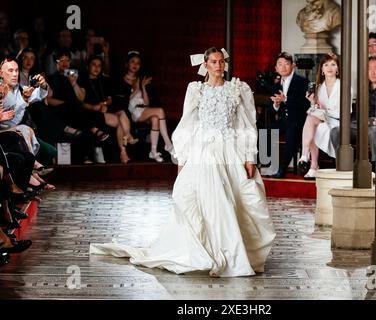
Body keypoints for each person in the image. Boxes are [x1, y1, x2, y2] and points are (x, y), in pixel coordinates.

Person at [90, 47, 276, 277]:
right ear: (205, 65)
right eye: (214, 62)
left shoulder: (237, 89)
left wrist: (249, 156)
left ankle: (228, 254)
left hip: (229, 151)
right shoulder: (196, 90)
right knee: (208, 201)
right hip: (204, 152)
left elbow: (245, 125)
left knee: (234, 200)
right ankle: (214, 254)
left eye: (221, 61)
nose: (218, 66)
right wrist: (182, 157)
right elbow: (188, 124)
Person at [330, 57, 376, 167]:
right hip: (363, 125)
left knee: (374, 131)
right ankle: (343, 165)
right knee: (336, 131)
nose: (372, 72)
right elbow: (357, 110)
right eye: (369, 69)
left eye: (375, 68)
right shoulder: (364, 87)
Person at [114, 51, 174, 162]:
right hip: (131, 112)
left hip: (143, 109)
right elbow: (122, 101)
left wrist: (143, 87)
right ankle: (168, 144)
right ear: (127, 64)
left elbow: (146, 103)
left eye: (138, 63)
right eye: (132, 62)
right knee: (160, 111)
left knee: (156, 118)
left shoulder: (140, 79)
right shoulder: (121, 80)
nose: (135, 65)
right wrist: (136, 88)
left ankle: (153, 151)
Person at [79, 55, 137, 164]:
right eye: (94, 65)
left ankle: (123, 151)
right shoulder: (83, 81)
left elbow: (110, 99)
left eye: (99, 66)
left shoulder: (104, 80)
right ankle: (126, 143)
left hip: (103, 111)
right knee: (120, 120)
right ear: (88, 66)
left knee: (122, 113)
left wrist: (104, 104)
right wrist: (94, 107)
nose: (96, 68)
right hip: (89, 113)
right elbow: (80, 103)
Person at [299, 52, 341, 179]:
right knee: (313, 123)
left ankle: (307, 158)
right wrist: (313, 102)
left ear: (338, 69)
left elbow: (346, 111)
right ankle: (312, 164)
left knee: (312, 120)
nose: (329, 67)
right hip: (321, 120)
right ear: (322, 69)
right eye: (326, 65)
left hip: (337, 121)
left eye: (333, 64)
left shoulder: (343, 85)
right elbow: (317, 110)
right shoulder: (320, 87)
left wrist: (323, 111)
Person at [269, 52, 310, 179]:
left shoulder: (302, 81)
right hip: (283, 120)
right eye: (280, 64)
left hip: (299, 121)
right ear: (276, 68)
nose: (283, 67)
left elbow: (306, 103)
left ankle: (282, 169)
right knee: (265, 130)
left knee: (292, 131)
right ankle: (268, 165)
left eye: (287, 64)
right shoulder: (275, 85)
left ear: (293, 66)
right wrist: (276, 105)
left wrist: (286, 100)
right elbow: (272, 110)